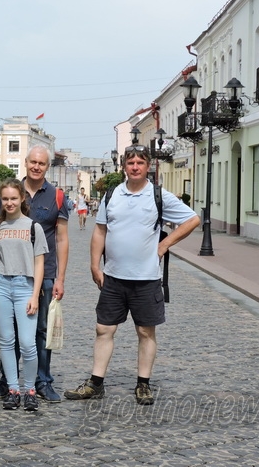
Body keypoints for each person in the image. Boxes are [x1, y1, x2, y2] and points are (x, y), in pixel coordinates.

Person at [65, 146, 200, 405]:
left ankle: (143, 384)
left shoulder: (158, 195)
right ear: (124, 166)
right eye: (131, 162)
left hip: (146, 278)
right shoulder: (112, 194)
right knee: (103, 329)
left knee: (145, 331)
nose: (135, 166)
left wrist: (163, 245)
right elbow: (100, 231)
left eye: (140, 162)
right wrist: (95, 265)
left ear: (147, 165)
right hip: (114, 276)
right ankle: (96, 382)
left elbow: (192, 220)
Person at [0, 145, 70, 403]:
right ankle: (7, 381)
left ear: (48, 166)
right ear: (26, 163)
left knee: (41, 331)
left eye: (42, 163)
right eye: (33, 162)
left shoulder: (56, 196)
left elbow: (62, 238)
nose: (36, 166)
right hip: (8, 272)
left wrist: (60, 278)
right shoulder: (11, 191)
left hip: (42, 273)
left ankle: (42, 381)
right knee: (8, 330)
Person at [0, 178, 48, 411]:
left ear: (22, 198)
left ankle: (29, 389)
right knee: (6, 341)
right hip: (0, 284)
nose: (9, 203)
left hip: (24, 286)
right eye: (5, 199)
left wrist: (35, 294)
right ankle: (12, 389)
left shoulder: (33, 227)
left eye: (13, 198)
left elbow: (39, 263)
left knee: (28, 343)